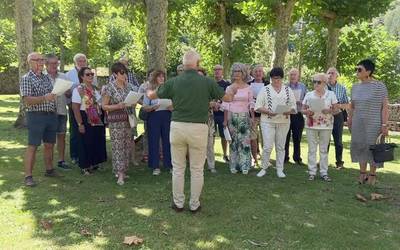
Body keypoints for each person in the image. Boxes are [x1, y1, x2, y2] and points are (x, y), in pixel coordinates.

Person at [147, 49, 236, 213]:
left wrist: (148, 89)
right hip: (198, 128)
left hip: (177, 127)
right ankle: (194, 204)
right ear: (198, 63)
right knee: (196, 169)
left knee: (178, 168)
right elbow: (228, 98)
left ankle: (178, 203)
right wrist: (232, 89)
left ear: (183, 64)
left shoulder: (174, 81)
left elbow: (152, 95)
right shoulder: (207, 82)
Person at [20, 52, 59, 187]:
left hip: (50, 114)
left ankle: (49, 170)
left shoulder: (46, 78)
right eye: (38, 60)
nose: (41, 62)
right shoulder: (26, 78)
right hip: (36, 115)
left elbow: (51, 94)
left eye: (42, 59)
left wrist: (54, 94)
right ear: (30, 62)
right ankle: (28, 176)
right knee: (33, 145)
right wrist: (44, 98)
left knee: (49, 144)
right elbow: (27, 100)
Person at [349, 59, 389, 185]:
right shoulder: (355, 87)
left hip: (374, 123)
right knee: (360, 146)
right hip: (358, 123)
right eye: (356, 69)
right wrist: (349, 119)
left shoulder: (379, 86)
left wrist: (384, 124)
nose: (357, 71)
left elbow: (385, 107)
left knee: (373, 148)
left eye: (359, 69)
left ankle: (372, 175)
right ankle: (362, 174)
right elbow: (352, 106)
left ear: (368, 72)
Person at [256, 67, 296, 178]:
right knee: (268, 146)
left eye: (278, 78)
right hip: (267, 121)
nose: (276, 81)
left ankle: (280, 169)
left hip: (283, 121)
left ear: (282, 78)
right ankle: (264, 168)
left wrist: (288, 111)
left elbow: (293, 107)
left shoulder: (288, 90)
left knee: (280, 146)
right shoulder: (265, 90)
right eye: (273, 78)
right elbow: (258, 106)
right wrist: (269, 111)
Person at [102, 62, 136, 185]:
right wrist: (117, 105)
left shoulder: (129, 87)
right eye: (121, 72)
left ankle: (124, 170)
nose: (124, 75)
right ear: (115, 74)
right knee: (118, 146)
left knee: (127, 145)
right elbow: (104, 106)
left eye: (125, 72)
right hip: (116, 121)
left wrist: (133, 102)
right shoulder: (109, 87)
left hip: (128, 120)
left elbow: (134, 100)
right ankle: (119, 173)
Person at [302, 73, 338, 182]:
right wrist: (307, 112)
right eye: (314, 82)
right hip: (311, 125)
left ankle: (324, 172)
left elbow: (337, 110)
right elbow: (302, 110)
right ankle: (312, 172)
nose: (316, 84)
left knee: (323, 150)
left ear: (324, 83)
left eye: (318, 82)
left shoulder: (331, 94)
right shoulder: (309, 95)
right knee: (312, 150)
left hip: (326, 126)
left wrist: (330, 111)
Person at [72, 67, 107, 175]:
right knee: (85, 142)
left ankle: (95, 163)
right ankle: (85, 166)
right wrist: (80, 123)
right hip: (85, 116)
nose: (91, 76)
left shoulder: (96, 89)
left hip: (97, 116)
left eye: (92, 74)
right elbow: (75, 107)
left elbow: (101, 103)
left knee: (97, 140)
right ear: (82, 77)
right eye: (87, 74)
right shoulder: (78, 90)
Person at [222, 63, 255, 174]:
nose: (236, 73)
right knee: (233, 142)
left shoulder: (248, 88)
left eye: (238, 71)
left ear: (243, 73)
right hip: (232, 117)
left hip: (244, 117)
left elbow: (251, 103)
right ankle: (234, 166)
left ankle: (245, 166)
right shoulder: (229, 87)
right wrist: (225, 120)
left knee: (244, 141)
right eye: (234, 71)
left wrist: (252, 117)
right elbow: (226, 105)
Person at [142, 70, 173, 176]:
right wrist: (152, 107)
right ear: (154, 78)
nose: (161, 79)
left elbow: (175, 103)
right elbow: (145, 106)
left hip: (167, 115)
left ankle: (169, 165)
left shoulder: (169, 90)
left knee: (168, 141)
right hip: (154, 116)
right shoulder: (149, 91)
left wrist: (172, 107)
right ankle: (155, 166)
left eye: (163, 77)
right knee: (154, 141)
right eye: (159, 77)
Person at [45, 54, 71, 170]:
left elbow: (69, 94)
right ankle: (49, 164)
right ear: (46, 64)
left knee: (61, 136)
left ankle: (61, 160)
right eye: (53, 63)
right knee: (48, 139)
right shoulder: (43, 77)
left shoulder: (63, 76)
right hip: (47, 112)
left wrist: (67, 91)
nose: (55, 65)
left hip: (61, 111)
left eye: (57, 63)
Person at [66, 53, 88, 165]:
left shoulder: (89, 73)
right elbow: (67, 92)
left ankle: (85, 153)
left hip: (88, 107)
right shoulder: (69, 74)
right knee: (75, 130)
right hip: (75, 106)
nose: (82, 63)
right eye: (79, 61)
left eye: (84, 60)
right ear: (75, 62)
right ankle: (74, 154)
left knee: (87, 130)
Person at [326, 67, 349, 169]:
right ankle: (323, 161)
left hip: (338, 116)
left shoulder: (342, 88)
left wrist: (338, 106)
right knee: (325, 139)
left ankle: (339, 162)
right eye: (329, 73)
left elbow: (347, 104)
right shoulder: (322, 87)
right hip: (325, 115)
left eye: (332, 73)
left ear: (337, 76)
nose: (330, 75)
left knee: (338, 140)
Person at [284, 68, 307, 165]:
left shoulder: (303, 86)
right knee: (286, 136)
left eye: (294, 74)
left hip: (298, 114)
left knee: (297, 137)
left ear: (298, 76)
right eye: (291, 74)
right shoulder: (284, 86)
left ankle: (297, 158)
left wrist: (301, 102)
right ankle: (285, 157)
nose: (292, 76)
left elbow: (307, 99)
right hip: (287, 115)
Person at [248, 64, 269, 166]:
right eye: (256, 71)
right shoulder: (248, 84)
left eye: (260, 71)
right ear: (252, 73)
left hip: (265, 115)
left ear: (263, 73)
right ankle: (254, 159)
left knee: (266, 138)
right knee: (252, 138)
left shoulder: (268, 84)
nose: (258, 73)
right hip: (252, 115)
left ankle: (265, 159)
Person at [198, 67, 217, 173]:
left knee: (209, 144)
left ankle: (211, 165)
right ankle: (198, 166)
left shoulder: (209, 89)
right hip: (195, 120)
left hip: (208, 119)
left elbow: (215, 102)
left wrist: (213, 104)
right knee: (197, 145)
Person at [212, 64, 230, 162]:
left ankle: (225, 154)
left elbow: (228, 99)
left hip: (222, 114)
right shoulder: (210, 83)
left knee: (224, 135)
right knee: (212, 135)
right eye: (215, 70)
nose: (217, 71)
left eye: (219, 69)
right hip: (212, 114)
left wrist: (220, 105)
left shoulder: (227, 84)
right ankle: (211, 155)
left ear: (222, 71)